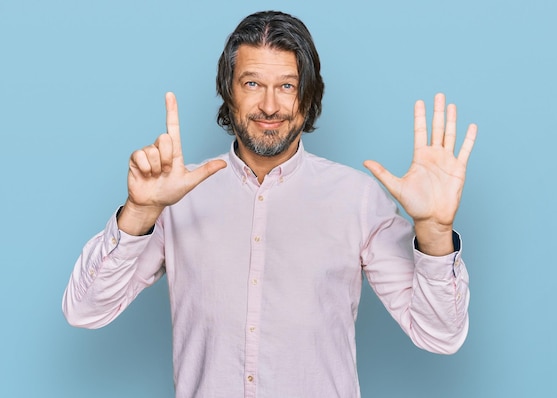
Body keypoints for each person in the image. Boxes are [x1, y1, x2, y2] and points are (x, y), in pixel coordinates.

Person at [63, 10, 477, 398]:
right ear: (229, 90)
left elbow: (439, 335)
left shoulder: (358, 199)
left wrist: (435, 234)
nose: (269, 106)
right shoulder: (174, 196)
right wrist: (140, 212)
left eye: (287, 86)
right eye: (252, 83)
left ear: (308, 94)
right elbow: (84, 310)